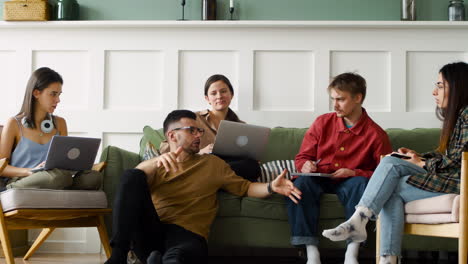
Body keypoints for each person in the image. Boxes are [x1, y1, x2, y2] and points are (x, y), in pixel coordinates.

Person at [105, 109, 302, 264]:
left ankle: (159, 260)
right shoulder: (157, 165)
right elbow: (133, 181)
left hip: (189, 235)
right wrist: (155, 162)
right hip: (152, 231)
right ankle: (118, 256)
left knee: (179, 256)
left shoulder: (213, 164)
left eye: (199, 130)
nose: (199, 135)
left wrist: (271, 187)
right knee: (131, 175)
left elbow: (246, 188)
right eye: (192, 130)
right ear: (172, 136)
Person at [322, 62, 468, 264]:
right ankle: (384, 255)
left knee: (389, 172)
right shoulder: (460, 116)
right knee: (390, 172)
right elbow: (449, 155)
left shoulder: (467, 115)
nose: (434, 91)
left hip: (460, 182)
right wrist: (419, 157)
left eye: (441, 86)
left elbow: (459, 161)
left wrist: (422, 164)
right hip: (451, 176)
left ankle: (367, 230)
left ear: (458, 87)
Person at [287, 72, 392, 264]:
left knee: (361, 184)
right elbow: (302, 157)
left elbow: (383, 176)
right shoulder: (322, 122)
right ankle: (311, 252)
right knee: (301, 183)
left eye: (340, 99)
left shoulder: (376, 135)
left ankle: (352, 252)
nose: (335, 105)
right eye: (333, 99)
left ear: (358, 98)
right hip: (319, 178)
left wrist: (354, 172)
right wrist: (306, 165)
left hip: (350, 182)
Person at [0, 67, 101, 190]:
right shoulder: (14, 124)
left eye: (59, 94)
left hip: (57, 177)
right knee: (58, 177)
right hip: (25, 179)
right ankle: (12, 188)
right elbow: (2, 167)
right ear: (36, 93)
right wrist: (30, 171)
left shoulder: (60, 123)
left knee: (92, 177)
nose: (58, 100)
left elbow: (66, 162)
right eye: (53, 94)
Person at [160, 74, 260, 181]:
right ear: (207, 98)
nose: (219, 96)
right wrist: (200, 152)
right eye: (213, 93)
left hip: (227, 167)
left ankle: (218, 180)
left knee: (252, 166)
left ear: (231, 95)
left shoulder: (241, 126)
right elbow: (164, 147)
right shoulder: (194, 119)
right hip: (201, 164)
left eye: (223, 91)